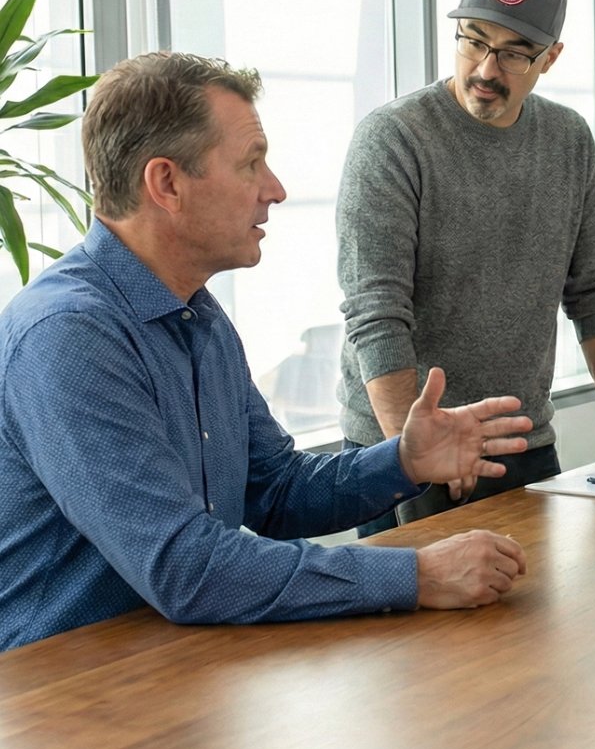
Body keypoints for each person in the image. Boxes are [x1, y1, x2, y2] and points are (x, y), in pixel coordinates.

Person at [0, 52, 534, 656]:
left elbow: (276, 491)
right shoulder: (68, 335)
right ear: (167, 183)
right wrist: (417, 575)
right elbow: (186, 568)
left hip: (178, 667)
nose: (274, 190)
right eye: (251, 164)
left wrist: (404, 461)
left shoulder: (195, 312)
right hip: (65, 700)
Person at [337, 0, 595, 536]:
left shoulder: (566, 139)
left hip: (521, 444)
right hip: (399, 450)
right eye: (474, 40)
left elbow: (594, 291)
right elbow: (376, 315)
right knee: (416, 628)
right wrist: (413, 456)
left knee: (542, 623)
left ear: (550, 58)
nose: (487, 68)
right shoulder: (393, 140)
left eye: (514, 52)